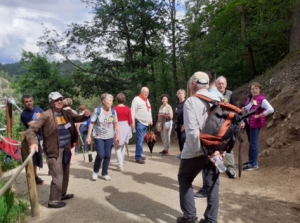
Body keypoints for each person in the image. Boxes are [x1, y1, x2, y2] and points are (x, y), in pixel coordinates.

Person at [25, 92, 90, 208]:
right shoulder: (46, 115)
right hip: (53, 150)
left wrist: (86, 116)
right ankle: (53, 201)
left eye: (60, 99)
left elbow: (78, 118)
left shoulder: (67, 113)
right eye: (56, 100)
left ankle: (62, 194)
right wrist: (34, 143)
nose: (59, 101)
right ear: (51, 102)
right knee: (58, 177)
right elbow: (30, 130)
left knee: (65, 174)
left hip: (66, 148)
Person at [177, 71, 222, 223]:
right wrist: (216, 151)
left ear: (193, 84)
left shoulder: (191, 101)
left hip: (196, 151)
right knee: (213, 183)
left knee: (184, 178)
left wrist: (202, 152)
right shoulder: (219, 98)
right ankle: (211, 220)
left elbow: (191, 132)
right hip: (216, 149)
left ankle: (189, 218)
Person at [194, 72, 224, 199]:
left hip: (207, 135)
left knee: (206, 162)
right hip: (219, 136)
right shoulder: (219, 96)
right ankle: (213, 190)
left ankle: (207, 188)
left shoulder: (205, 96)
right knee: (215, 163)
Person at [86, 93, 120, 181]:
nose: (111, 102)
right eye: (109, 100)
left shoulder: (113, 112)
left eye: (112, 100)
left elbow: (116, 124)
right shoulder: (97, 111)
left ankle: (105, 172)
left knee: (107, 155)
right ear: (104, 102)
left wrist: (118, 135)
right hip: (98, 136)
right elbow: (92, 123)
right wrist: (88, 136)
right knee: (100, 155)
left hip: (109, 136)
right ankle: (95, 171)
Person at [243, 82, 274, 170]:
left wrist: (260, 115)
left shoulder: (261, 99)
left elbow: (271, 109)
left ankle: (253, 164)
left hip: (255, 124)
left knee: (254, 143)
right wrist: (244, 109)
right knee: (251, 143)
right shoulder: (250, 98)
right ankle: (251, 161)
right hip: (248, 123)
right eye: (252, 88)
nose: (254, 90)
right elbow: (248, 108)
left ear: (259, 90)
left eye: (256, 88)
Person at [216, 75, 237, 179]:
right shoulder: (211, 94)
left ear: (226, 84)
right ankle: (217, 166)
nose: (221, 85)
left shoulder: (230, 94)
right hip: (215, 124)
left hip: (228, 124)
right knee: (215, 146)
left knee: (228, 145)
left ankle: (231, 168)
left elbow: (235, 108)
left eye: (223, 83)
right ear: (216, 84)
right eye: (219, 83)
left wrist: (238, 120)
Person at [20, 94, 44, 185]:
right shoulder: (24, 114)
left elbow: (47, 118)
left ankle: (48, 172)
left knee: (45, 155)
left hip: (43, 135)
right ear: (23, 103)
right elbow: (32, 124)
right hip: (33, 137)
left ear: (33, 101)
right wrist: (42, 119)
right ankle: (34, 177)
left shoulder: (39, 109)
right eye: (26, 101)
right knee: (33, 158)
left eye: (30, 101)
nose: (29, 103)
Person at [131, 87, 153, 164]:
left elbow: (149, 110)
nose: (146, 93)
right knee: (139, 140)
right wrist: (132, 122)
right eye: (145, 92)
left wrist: (150, 119)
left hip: (146, 123)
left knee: (142, 140)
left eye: (147, 92)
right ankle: (138, 157)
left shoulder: (147, 100)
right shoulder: (136, 99)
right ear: (141, 92)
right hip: (139, 122)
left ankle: (139, 154)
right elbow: (132, 111)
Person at [113, 93, 133, 171]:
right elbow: (130, 120)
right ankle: (121, 161)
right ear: (124, 100)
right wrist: (132, 126)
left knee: (117, 146)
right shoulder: (128, 109)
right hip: (126, 127)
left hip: (117, 126)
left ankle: (120, 164)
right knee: (123, 145)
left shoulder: (114, 109)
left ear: (117, 100)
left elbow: (111, 119)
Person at [174, 89, 186, 159]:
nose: (180, 95)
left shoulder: (186, 102)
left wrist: (185, 124)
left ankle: (185, 154)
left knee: (183, 138)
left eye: (181, 93)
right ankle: (181, 153)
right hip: (178, 124)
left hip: (184, 124)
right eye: (179, 94)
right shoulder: (177, 103)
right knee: (179, 138)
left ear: (184, 94)